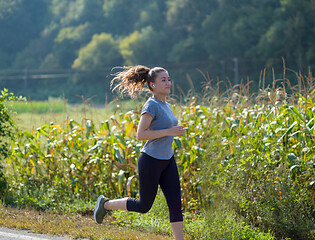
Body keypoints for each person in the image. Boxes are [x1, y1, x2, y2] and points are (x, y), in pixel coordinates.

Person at [94, 65, 185, 240]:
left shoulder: (166, 105)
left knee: (175, 204)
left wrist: (172, 131)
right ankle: (105, 204)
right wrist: (170, 131)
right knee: (144, 206)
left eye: (169, 79)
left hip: (168, 160)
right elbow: (140, 135)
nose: (168, 83)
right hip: (151, 160)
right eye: (163, 80)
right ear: (152, 85)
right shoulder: (151, 105)